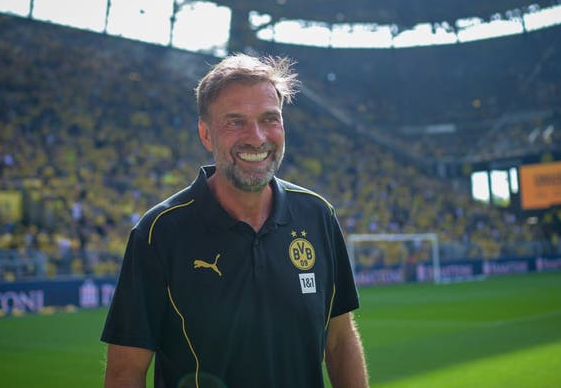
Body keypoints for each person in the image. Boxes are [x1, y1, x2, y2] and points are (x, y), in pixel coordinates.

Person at [101, 53, 369, 388]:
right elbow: (125, 371)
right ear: (206, 134)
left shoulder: (318, 216)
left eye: (270, 119)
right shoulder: (158, 233)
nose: (256, 137)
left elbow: (340, 340)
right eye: (235, 122)